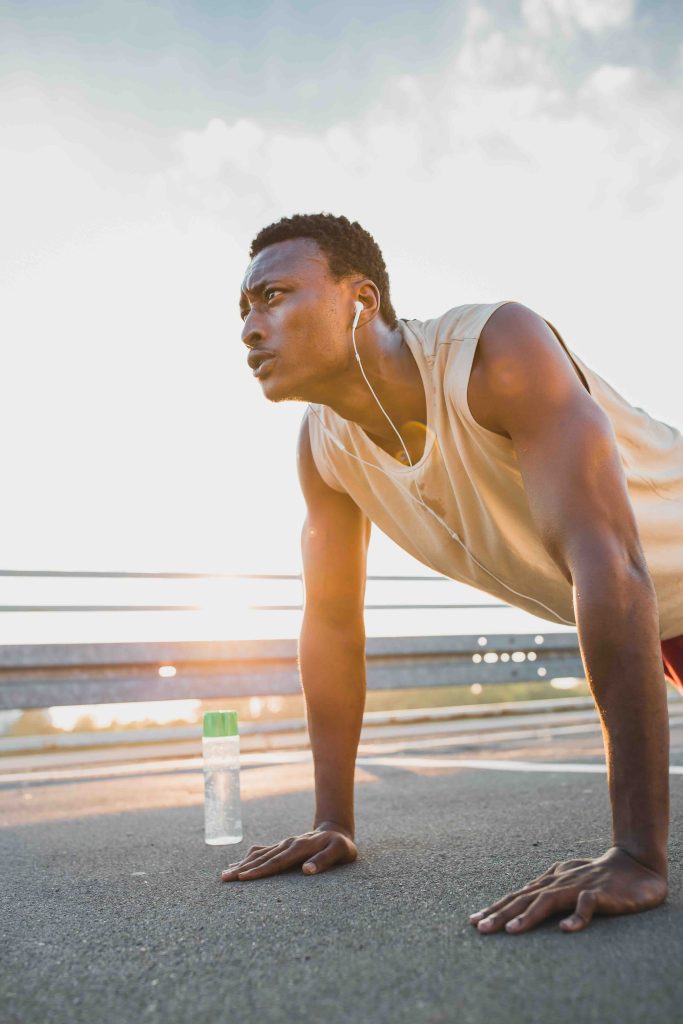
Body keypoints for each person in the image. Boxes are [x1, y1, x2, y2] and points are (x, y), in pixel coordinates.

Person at [222, 211, 683, 935]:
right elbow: (332, 623)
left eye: (273, 295)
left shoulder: (497, 348)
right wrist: (331, 820)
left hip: (643, 595)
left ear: (360, 301)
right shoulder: (322, 449)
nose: (249, 328)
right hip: (659, 625)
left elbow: (609, 558)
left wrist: (635, 853)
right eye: (244, 309)